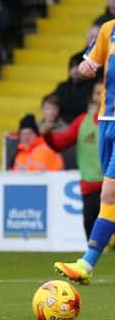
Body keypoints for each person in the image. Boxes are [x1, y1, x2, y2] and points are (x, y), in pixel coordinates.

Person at [55, 18, 115, 285]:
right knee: (111, 197)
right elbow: (87, 63)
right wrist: (86, 67)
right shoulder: (108, 29)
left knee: (109, 194)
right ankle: (87, 263)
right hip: (106, 120)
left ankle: (86, 263)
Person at [42, 82, 102, 240]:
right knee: (91, 233)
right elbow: (61, 143)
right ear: (92, 98)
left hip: (112, 188)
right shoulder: (82, 121)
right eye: (98, 92)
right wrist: (48, 135)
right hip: (90, 187)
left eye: (105, 92)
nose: (101, 96)